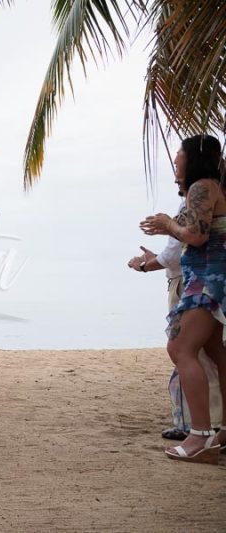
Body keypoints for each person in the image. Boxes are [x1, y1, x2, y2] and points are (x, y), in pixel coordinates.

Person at [140, 134, 226, 463]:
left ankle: (200, 437)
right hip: (215, 277)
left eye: (179, 160)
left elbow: (197, 236)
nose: (176, 165)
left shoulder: (201, 187)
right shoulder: (217, 186)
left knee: (180, 348)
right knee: (218, 352)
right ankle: (221, 433)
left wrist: (169, 225)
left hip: (207, 278)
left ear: (193, 160)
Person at [129, 208, 222, 440]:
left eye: (179, 170)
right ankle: (210, 424)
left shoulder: (197, 195)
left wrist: (144, 264)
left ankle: (200, 426)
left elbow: (179, 250)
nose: (176, 175)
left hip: (191, 283)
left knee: (186, 351)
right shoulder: (205, 197)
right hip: (202, 280)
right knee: (207, 354)